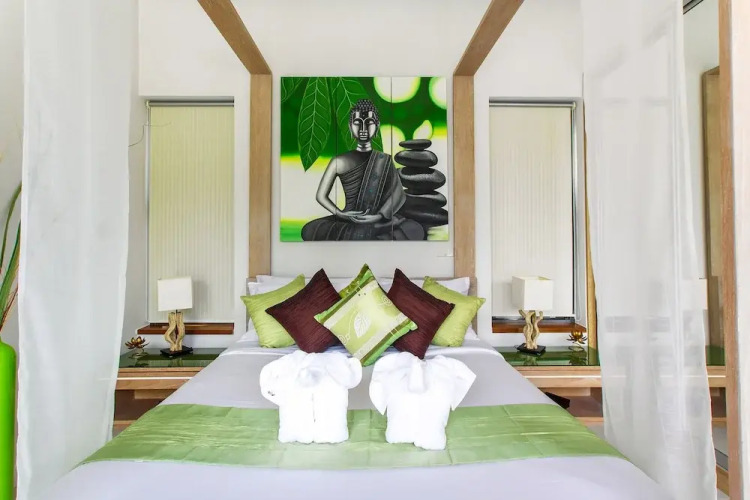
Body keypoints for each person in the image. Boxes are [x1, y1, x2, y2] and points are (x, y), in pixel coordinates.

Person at [301, 99, 425, 241]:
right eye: (357, 123)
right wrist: (340, 214)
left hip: (377, 219)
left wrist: (379, 216)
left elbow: (397, 194)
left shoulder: (384, 160)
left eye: (369, 123)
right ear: (350, 126)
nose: (363, 129)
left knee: (413, 228)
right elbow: (321, 196)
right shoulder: (339, 161)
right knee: (310, 229)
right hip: (348, 218)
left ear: (377, 126)